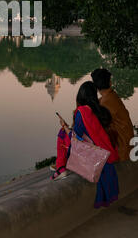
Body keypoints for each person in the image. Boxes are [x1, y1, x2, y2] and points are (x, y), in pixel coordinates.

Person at [51, 81, 119, 209]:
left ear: (81, 96)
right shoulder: (102, 110)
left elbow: (75, 137)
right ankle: (61, 166)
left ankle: (60, 168)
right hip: (106, 152)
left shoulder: (82, 112)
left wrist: (65, 126)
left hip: (94, 154)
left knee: (62, 133)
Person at [91, 68, 134, 161]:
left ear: (96, 86)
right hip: (127, 143)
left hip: (122, 147)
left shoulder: (106, 102)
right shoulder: (111, 96)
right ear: (110, 83)